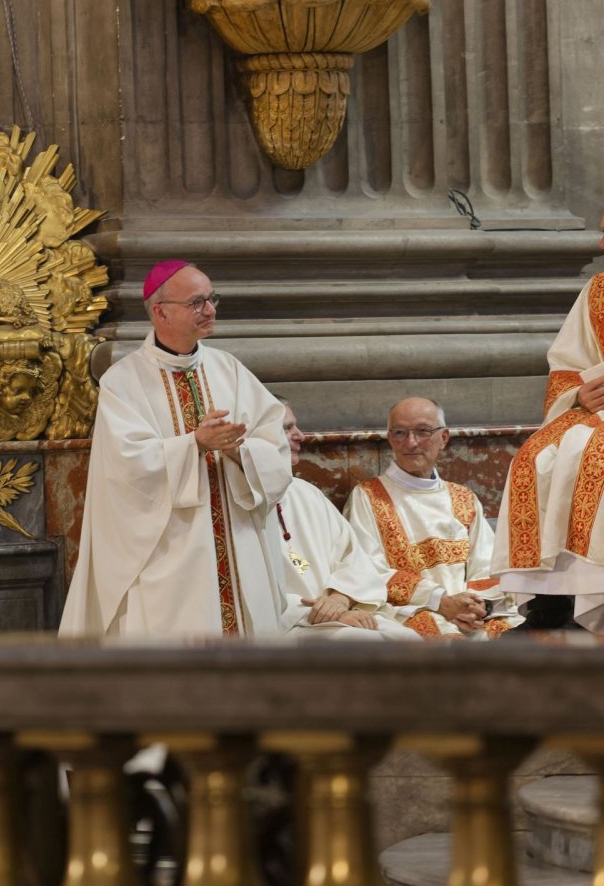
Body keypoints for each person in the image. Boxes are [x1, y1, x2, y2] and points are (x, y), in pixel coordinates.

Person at [59, 259, 291, 638]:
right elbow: (125, 468)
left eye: (211, 299)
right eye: (197, 302)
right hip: (170, 556)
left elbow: (274, 445)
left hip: (239, 547)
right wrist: (195, 443)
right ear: (160, 311)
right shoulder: (123, 382)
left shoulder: (229, 369)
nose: (210, 310)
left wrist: (238, 451)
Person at [344, 397, 522, 639]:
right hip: (411, 612)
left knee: (518, 645)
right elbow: (366, 570)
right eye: (399, 433)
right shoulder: (368, 497)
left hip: (471, 614)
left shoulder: (463, 497)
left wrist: (478, 606)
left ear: (444, 438)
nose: (411, 442)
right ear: (389, 438)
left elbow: (487, 565)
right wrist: (439, 601)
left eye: (422, 431)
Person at [491, 263, 604, 631]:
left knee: (593, 454)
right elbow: (567, 365)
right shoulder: (598, 290)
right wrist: (577, 394)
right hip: (597, 406)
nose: (603, 244)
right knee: (537, 454)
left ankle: (594, 598)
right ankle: (551, 598)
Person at [275, 404, 419, 641]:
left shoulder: (307, 494)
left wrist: (339, 599)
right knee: (368, 645)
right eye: (287, 428)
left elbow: (354, 559)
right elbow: (251, 592)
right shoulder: (239, 506)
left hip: (338, 613)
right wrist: (322, 612)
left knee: (409, 640)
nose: (300, 435)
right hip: (291, 625)